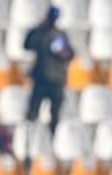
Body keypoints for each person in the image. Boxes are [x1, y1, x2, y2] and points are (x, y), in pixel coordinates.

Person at [24, 5, 74, 134]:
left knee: (51, 113)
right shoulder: (50, 34)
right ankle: (34, 138)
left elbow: (69, 54)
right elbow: (27, 45)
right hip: (48, 78)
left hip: (49, 78)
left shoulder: (53, 35)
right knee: (36, 112)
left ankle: (49, 138)